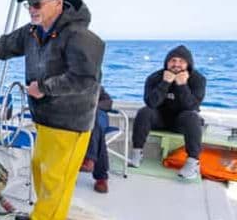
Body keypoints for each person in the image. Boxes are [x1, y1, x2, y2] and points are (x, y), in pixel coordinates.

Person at [0, 0, 104, 220]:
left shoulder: (81, 37)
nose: (31, 9)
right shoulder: (32, 32)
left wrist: (44, 88)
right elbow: (2, 46)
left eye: (36, 3)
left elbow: (84, 78)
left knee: (55, 179)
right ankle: (41, 216)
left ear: (58, 3)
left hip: (70, 122)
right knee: (39, 170)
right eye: (28, 5)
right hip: (44, 118)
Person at [130, 45, 206, 179]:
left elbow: (192, 106)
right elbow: (151, 103)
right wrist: (165, 83)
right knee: (144, 111)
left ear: (188, 64)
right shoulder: (155, 77)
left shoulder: (197, 79)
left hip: (182, 121)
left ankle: (193, 161)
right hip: (160, 117)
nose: (176, 64)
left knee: (192, 116)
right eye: (173, 60)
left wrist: (182, 85)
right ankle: (137, 153)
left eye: (181, 61)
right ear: (167, 62)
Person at [80, 86, 113, 193]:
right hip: (78, 118)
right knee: (99, 136)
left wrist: (92, 107)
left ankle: (89, 159)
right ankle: (101, 177)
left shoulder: (93, 85)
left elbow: (108, 102)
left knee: (94, 122)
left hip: (98, 115)